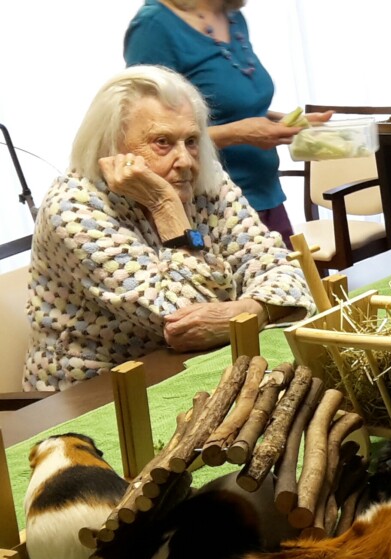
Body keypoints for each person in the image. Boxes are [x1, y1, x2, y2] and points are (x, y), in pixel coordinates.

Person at [23, 65, 314, 391]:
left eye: (191, 141)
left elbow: (281, 269)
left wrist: (251, 310)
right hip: (95, 394)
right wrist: (166, 208)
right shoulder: (74, 208)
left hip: (193, 369)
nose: (186, 160)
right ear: (110, 146)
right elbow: (188, 319)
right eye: (162, 142)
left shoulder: (205, 176)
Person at [124, 0, 332, 240]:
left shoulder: (232, 17)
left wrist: (288, 122)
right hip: (210, 208)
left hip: (266, 194)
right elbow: (148, 136)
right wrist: (239, 134)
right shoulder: (153, 27)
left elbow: (234, 107)